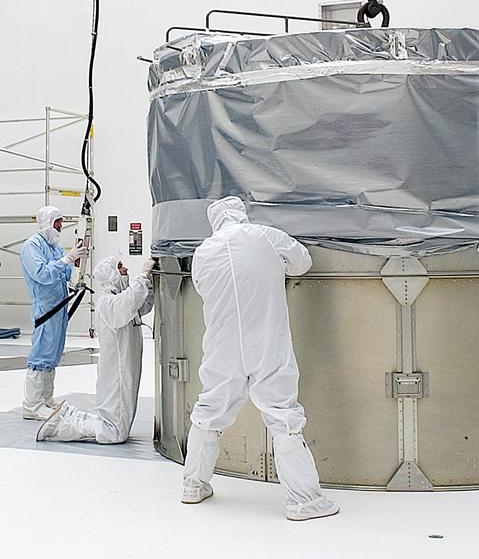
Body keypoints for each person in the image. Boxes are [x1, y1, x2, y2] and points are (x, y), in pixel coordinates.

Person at [180, 196, 339, 522]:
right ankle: (304, 501)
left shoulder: (203, 252)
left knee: (208, 412)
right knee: (283, 416)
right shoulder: (264, 235)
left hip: (222, 345)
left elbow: (202, 288)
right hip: (266, 340)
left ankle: (193, 485)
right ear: (242, 213)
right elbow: (302, 262)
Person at [36, 256, 154, 444]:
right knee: (114, 432)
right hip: (116, 372)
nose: (125, 270)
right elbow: (130, 301)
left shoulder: (118, 298)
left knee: (115, 424)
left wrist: (151, 284)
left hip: (125, 369)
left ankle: (69, 415)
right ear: (110, 274)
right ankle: (60, 426)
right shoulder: (107, 302)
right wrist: (143, 277)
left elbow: (142, 304)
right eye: (120, 267)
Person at [20, 206, 85, 420]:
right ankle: (32, 404)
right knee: (41, 353)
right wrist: (66, 260)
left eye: (61, 222)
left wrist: (75, 262)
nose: (60, 226)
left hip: (59, 306)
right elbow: (41, 274)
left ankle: (46, 399)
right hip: (45, 308)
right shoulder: (32, 246)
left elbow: (64, 274)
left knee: (53, 352)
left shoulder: (55, 247)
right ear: (47, 222)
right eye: (57, 222)